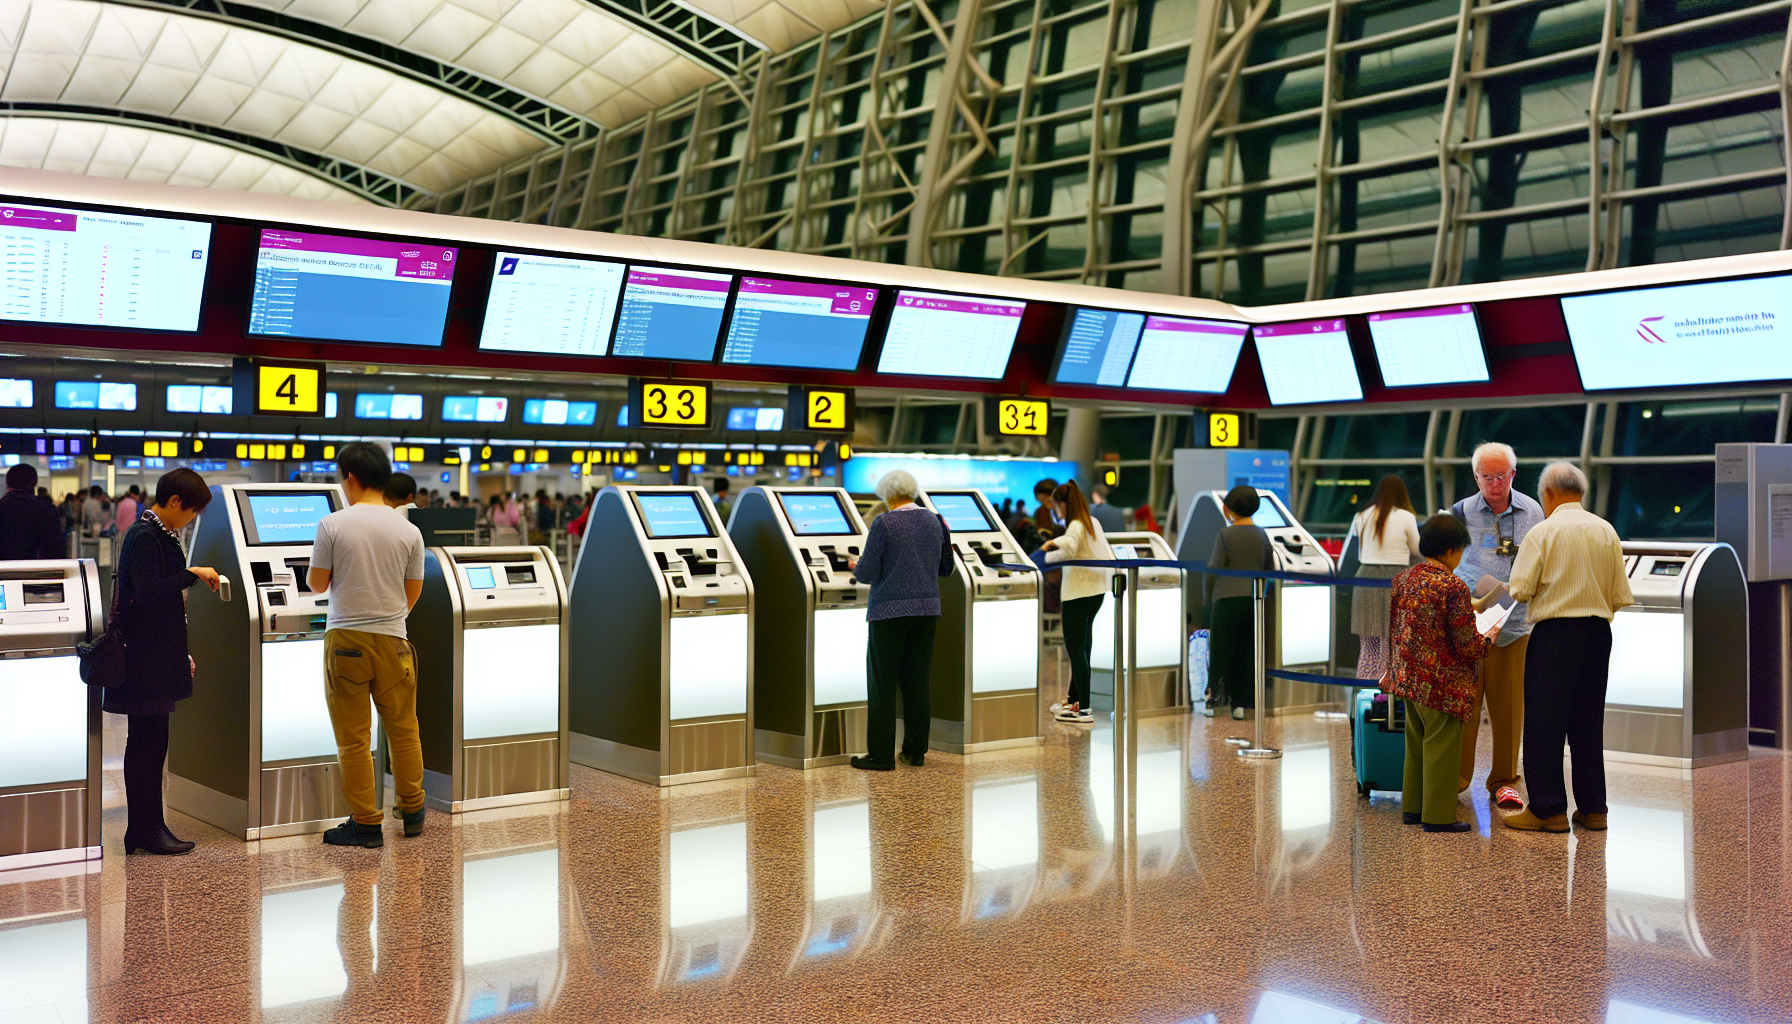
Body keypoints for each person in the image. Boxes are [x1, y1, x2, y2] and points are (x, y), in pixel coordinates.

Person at [307, 442, 428, 848]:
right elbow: (413, 591)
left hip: (346, 643)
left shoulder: (333, 524)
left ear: (351, 478)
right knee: (404, 729)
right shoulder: (409, 530)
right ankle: (412, 810)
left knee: (354, 738)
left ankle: (366, 823)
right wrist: (388, 615)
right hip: (395, 641)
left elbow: (317, 584)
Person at [1502, 462, 1633, 834]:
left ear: (1547, 494)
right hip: (1597, 634)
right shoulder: (1606, 530)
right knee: (1588, 723)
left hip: (1555, 634)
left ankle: (1548, 810)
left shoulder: (1543, 532)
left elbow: (1520, 588)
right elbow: (1620, 594)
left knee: (1545, 723)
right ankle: (1594, 810)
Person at [109, 469, 222, 854]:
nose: (190, 520)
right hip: (145, 658)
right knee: (146, 744)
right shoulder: (145, 536)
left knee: (151, 743)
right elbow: (148, 593)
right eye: (190, 512)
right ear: (174, 503)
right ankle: (145, 829)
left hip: (155, 653)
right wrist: (190, 573)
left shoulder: (157, 533)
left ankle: (145, 828)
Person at [1386, 514, 1499, 833]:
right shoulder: (1453, 585)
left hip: (1409, 678)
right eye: (1461, 550)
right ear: (1451, 550)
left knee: (1416, 744)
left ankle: (1412, 808)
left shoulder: (1404, 578)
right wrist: (1488, 637)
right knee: (1442, 749)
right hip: (1441, 684)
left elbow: (1398, 626)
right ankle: (1437, 816)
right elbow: (1466, 645)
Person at [1451, 442, 1545, 809]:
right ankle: (1457, 778)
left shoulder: (1532, 511)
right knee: (1466, 707)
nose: (1494, 483)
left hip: (1516, 625)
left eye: (1501, 475)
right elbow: (1454, 561)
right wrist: (1492, 588)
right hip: (1472, 624)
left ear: (1513, 474)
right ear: (1476, 477)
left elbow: (1540, 558)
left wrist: (1518, 591)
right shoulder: (1460, 512)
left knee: (1509, 709)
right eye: (1487, 477)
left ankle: (1504, 781)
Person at [847, 470, 952, 771]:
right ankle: (914, 752)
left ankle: (880, 756)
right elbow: (946, 569)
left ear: (886, 494)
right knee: (917, 682)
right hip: (927, 611)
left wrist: (855, 565)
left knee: (883, 685)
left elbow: (867, 573)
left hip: (889, 612)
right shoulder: (937, 521)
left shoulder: (884, 523)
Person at [1043, 481, 1114, 724]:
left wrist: (1046, 555)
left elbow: (1070, 548)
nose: (1057, 510)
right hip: (1096, 592)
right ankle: (1074, 700)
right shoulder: (1092, 522)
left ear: (1063, 503)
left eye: (1056, 505)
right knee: (1083, 649)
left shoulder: (1075, 524)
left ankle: (1084, 709)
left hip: (1077, 593)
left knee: (1076, 651)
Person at [1202, 486, 1275, 720]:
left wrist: (1207, 595)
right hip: (1252, 600)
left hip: (1226, 600)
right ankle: (1241, 704)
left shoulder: (1225, 535)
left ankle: (1216, 701)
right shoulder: (1262, 534)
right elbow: (1269, 569)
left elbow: (1213, 568)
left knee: (1222, 651)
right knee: (1247, 652)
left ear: (1228, 509)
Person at [1349, 474, 1421, 681]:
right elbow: (1417, 551)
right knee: (1396, 642)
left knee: (1369, 644)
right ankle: (1393, 694)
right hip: (1394, 578)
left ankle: (1366, 689)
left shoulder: (1361, 515)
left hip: (1365, 578)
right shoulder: (1406, 516)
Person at [0, 464, 66, 561]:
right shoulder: (47, 510)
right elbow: (55, 552)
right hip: (36, 573)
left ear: (8, 482)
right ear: (34, 483)